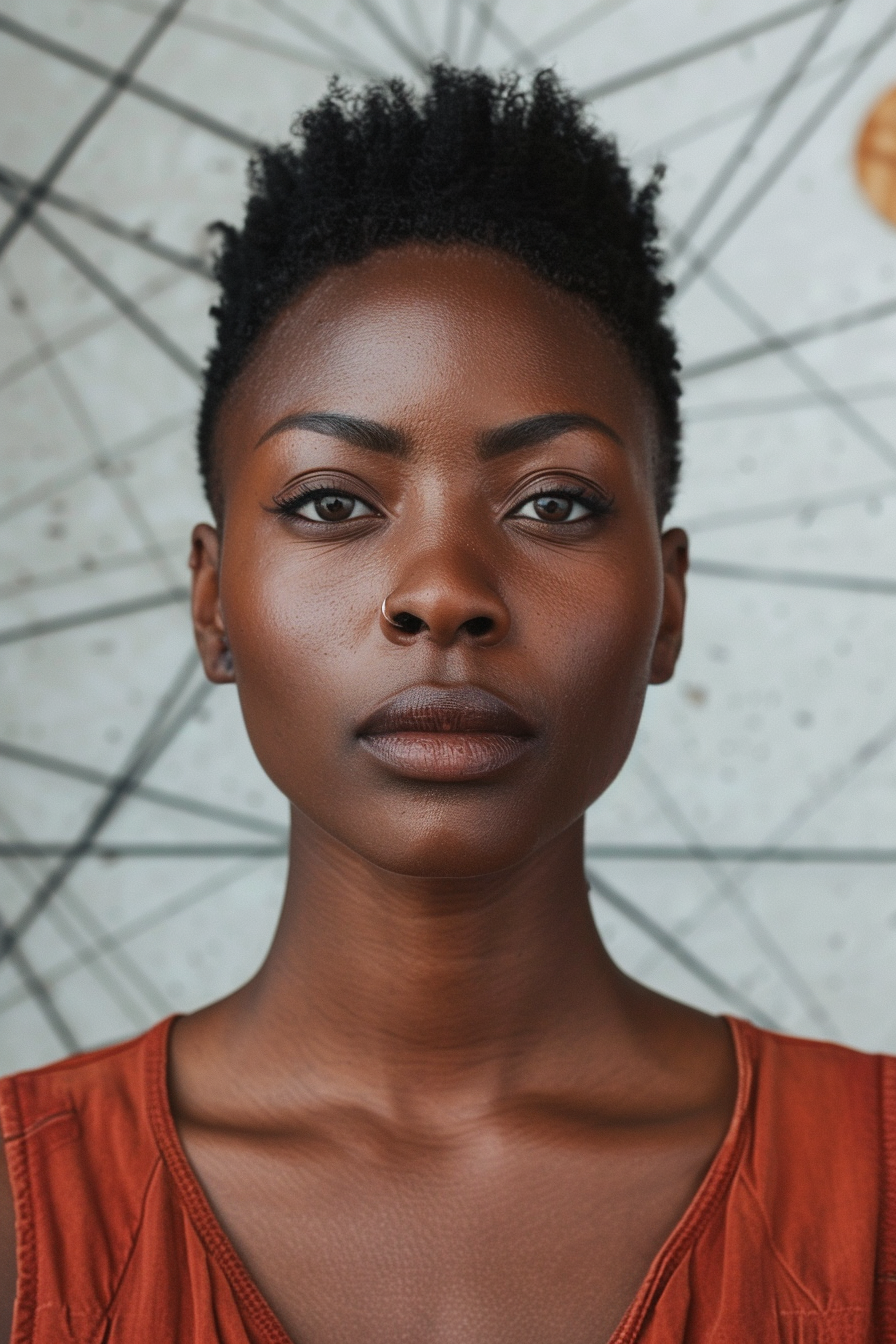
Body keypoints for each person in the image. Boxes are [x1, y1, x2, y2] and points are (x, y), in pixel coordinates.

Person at [0, 66, 893, 1344]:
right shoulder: (19, 1212)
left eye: (553, 503)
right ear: (211, 605)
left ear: (667, 604)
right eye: (330, 503)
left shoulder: (879, 1198)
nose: (440, 594)